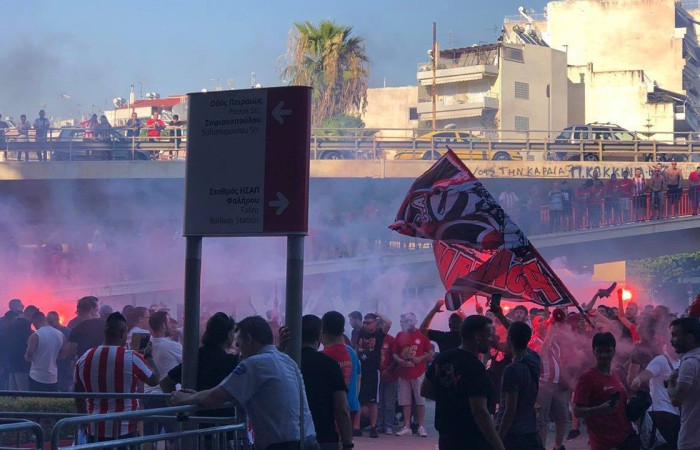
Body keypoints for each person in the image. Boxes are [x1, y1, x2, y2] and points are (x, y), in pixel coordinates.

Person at [170, 316, 319, 450]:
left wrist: (184, 398)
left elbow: (215, 397)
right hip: (309, 441)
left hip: (283, 445)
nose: (238, 350)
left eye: (239, 344)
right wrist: (197, 396)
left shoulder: (253, 364)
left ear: (248, 339)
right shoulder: (288, 361)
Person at [421, 315, 504, 450]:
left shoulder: (443, 358)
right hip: (470, 439)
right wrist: (498, 445)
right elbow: (479, 410)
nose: (491, 340)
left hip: (446, 436)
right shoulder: (475, 367)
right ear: (478, 338)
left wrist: (448, 399)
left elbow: (425, 390)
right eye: (488, 336)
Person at [74, 312, 160, 442]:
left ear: (105, 332)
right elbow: (154, 380)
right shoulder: (132, 357)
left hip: (94, 430)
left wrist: (83, 420)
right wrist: (149, 357)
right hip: (126, 431)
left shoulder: (85, 357)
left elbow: (78, 392)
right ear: (123, 333)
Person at [287, 315, 353, 450]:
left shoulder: (286, 363)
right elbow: (342, 409)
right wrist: (347, 444)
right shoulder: (329, 364)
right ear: (319, 336)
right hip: (325, 436)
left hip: (290, 437)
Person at [160, 312, 238, 423]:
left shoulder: (196, 357)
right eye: (233, 332)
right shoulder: (231, 361)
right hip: (224, 424)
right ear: (228, 334)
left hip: (195, 422)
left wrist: (178, 408)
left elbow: (165, 382)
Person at [573, 332, 639, 450]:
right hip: (605, 443)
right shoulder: (587, 378)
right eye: (600, 351)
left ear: (614, 351)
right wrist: (599, 409)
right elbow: (577, 411)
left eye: (608, 351)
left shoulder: (615, 374)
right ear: (593, 351)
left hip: (626, 439)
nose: (604, 355)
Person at [497, 321, 543, 450]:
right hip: (531, 429)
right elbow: (520, 337)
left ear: (509, 340)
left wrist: (498, 439)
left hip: (514, 434)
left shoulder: (512, 370)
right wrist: (501, 317)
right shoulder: (534, 359)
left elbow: (510, 410)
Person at [321, 311, 362, 437]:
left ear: (323, 330)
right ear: (343, 330)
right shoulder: (352, 352)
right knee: (346, 440)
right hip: (351, 405)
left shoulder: (325, 355)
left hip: (334, 408)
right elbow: (358, 378)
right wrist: (354, 399)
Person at [630, 346, 680, 449]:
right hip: (660, 412)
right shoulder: (661, 360)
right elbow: (648, 372)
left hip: (674, 414)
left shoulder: (681, 363)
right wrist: (638, 379)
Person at [143, 311, 182, 439]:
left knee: (148, 438)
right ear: (162, 325)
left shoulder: (146, 345)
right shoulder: (172, 346)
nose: (172, 325)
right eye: (169, 322)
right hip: (168, 397)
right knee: (174, 438)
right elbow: (190, 363)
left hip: (149, 397)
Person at [393, 312, 431, 438]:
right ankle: (407, 426)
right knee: (405, 401)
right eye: (402, 322)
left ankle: (421, 426)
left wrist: (420, 358)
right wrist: (399, 360)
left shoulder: (421, 334)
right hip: (404, 373)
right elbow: (394, 353)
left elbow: (430, 352)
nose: (403, 324)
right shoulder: (400, 335)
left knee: (420, 400)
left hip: (418, 372)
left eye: (405, 321)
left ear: (413, 322)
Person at [355, 312, 391, 438]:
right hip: (361, 370)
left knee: (373, 401)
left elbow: (388, 323)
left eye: (369, 322)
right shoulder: (361, 332)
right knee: (359, 399)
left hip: (372, 371)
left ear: (375, 323)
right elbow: (356, 348)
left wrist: (378, 314)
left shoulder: (378, 334)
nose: (366, 325)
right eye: (364, 322)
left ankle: (373, 427)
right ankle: (356, 426)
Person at [667, 317, 700, 450]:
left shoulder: (690, 363)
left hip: (692, 441)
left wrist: (670, 382)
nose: (671, 341)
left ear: (689, 338)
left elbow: (676, 399)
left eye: (675, 335)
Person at [24, 311, 66, 392]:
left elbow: (29, 355)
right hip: (53, 377)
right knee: (51, 399)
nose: (34, 326)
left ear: (35, 321)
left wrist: (26, 357)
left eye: (33, 324)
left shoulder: (35, 335)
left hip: (36, 376)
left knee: (35, 399)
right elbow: (64, 354)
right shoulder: (61, 335)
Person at [7, 304, 39, 391]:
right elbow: (27, 345)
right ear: (31, 315)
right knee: (24, 391)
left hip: (12, 364)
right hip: (22, 365)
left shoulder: (13, 324)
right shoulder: (25, 327)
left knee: (12, 392)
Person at [377, 328, 398, 434]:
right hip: (378, 376)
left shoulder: (391, 340)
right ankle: (380, 425)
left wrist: (388, 370)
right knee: (379, 402)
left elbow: (395, 358)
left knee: (389, 402)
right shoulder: (375, 339)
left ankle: (388, 425)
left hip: (390, 376)